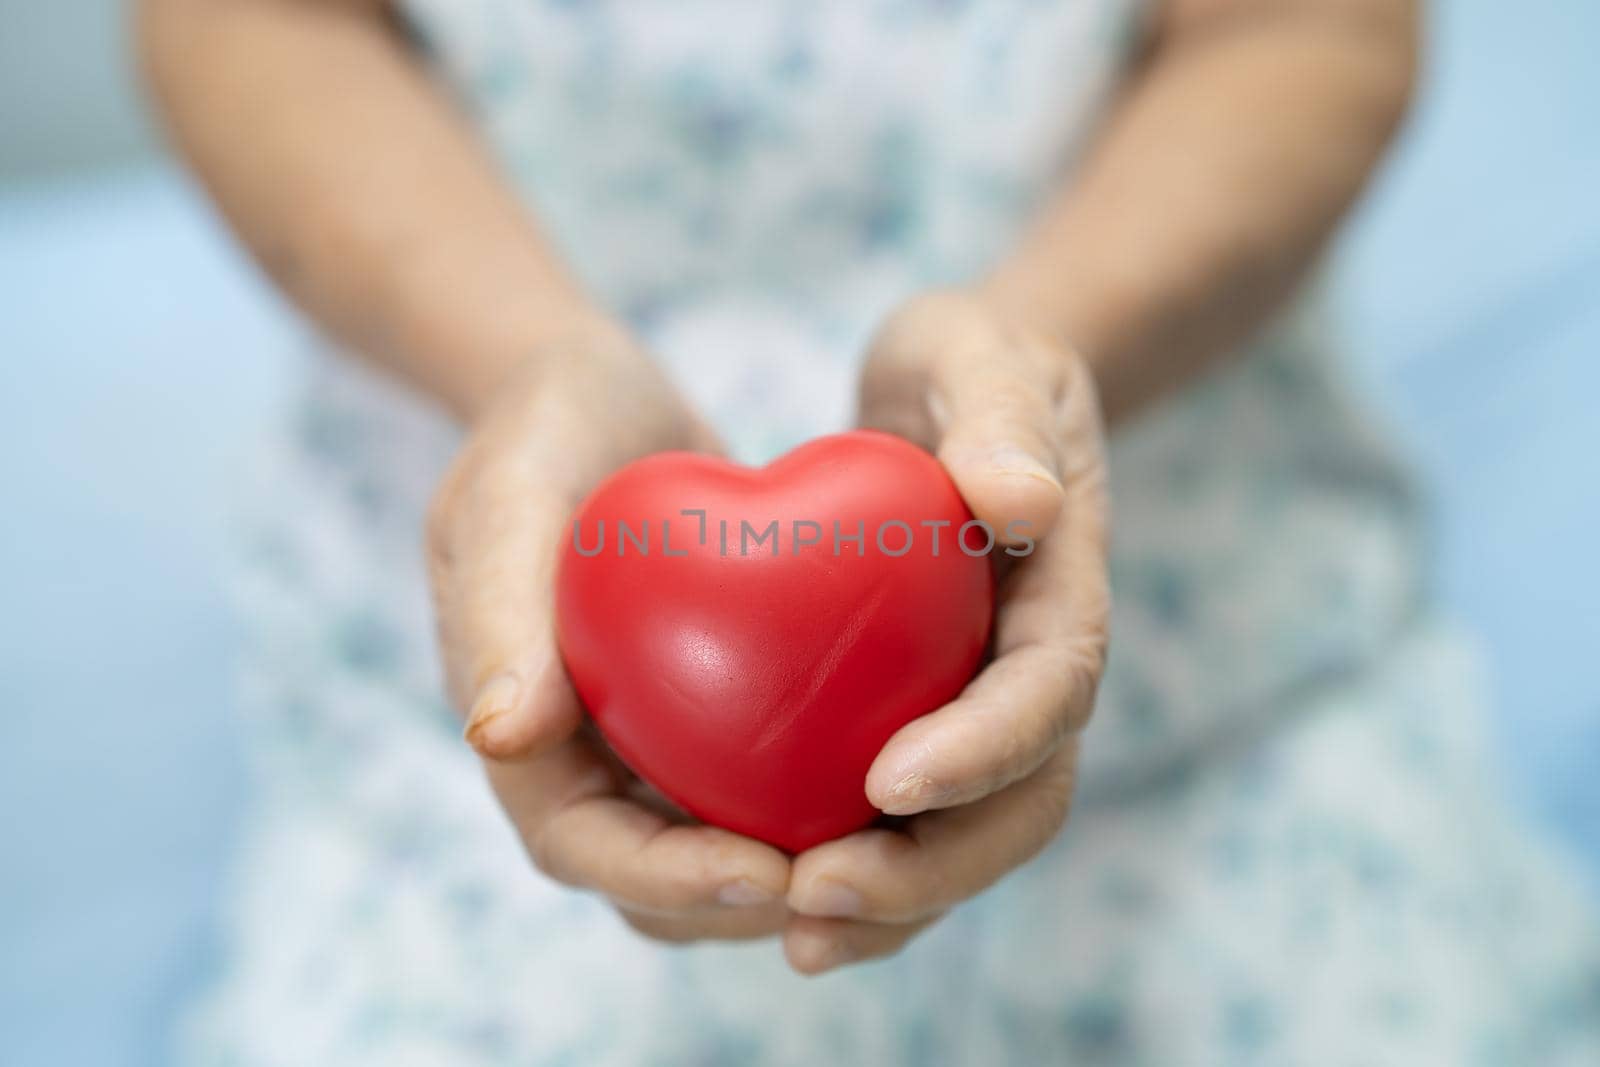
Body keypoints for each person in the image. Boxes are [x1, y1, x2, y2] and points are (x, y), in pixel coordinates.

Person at [140, 0, 1600, 1063]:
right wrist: (525, 360)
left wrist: (1039, 363)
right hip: (519, 660)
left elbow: (1305, 29)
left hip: (1196, 630)